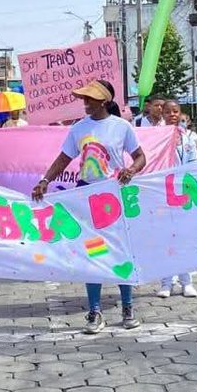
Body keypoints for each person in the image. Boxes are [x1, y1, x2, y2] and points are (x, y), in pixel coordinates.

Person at [33, 79, 147, 334]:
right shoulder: (78, 129)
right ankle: (94, 311)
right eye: (83, 99)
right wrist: (44, 180)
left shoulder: (121, 127)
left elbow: (141, 157)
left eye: (90, 99)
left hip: (113, 196)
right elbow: (63, 159)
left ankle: (127, 307)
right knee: (92, 252)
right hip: (85, 195)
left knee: (120, 252)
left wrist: (131, 170)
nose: (84, 103)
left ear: (104, 101)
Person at [159, 98, 197, 299]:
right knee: (167, 239)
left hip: (185, 194)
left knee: (185, 238)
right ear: (162, 114)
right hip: (163, 194)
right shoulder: (157, 138)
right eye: (168, 112)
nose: (172, 115)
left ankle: (187, 281)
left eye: (175, 111)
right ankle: (166, 282)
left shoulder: (189, 137)